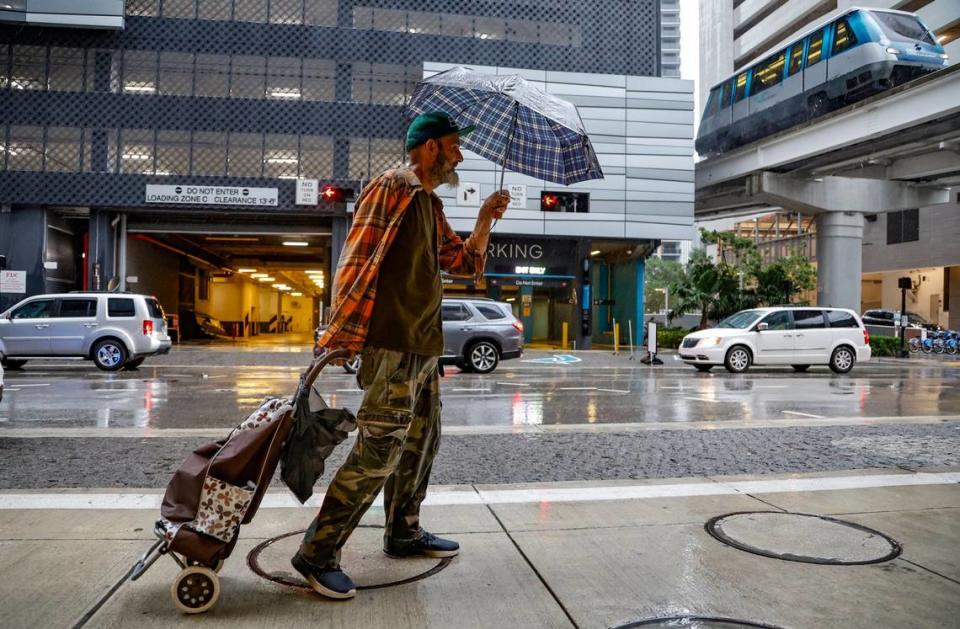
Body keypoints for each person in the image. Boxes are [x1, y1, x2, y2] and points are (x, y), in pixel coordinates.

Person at [292, 111, 510, 600]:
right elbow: (356, 257)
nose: (460, 154)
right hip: (391, 346)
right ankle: (317, 553)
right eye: (454, 145)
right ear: (430, 147)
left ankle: (403, 532)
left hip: (423, 350)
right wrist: (342, 332)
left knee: (421, 444)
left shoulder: (428, 205)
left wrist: (484, 220)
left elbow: (465, 263)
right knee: (378, 452)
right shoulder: (394, 186)